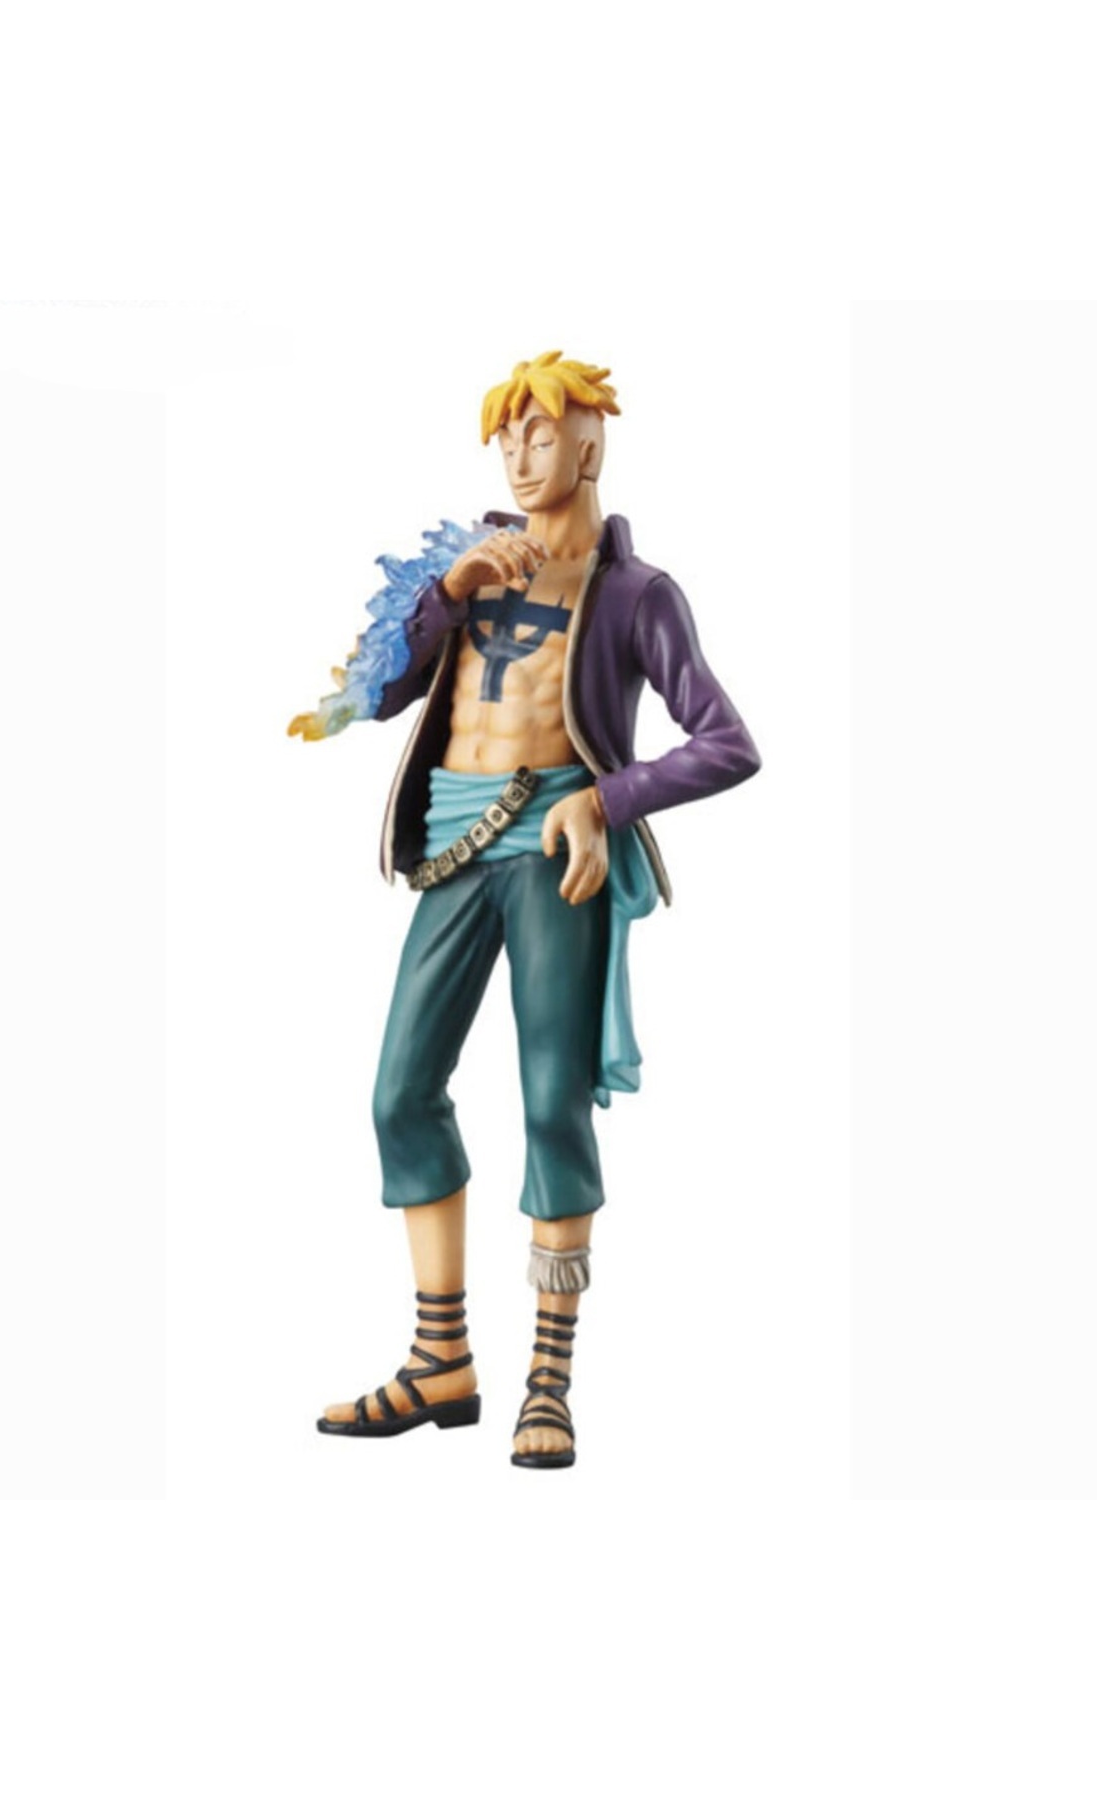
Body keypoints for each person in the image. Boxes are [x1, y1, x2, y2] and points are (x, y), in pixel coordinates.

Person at [291, 351, 760, 1468]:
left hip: (558, 856)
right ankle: (441, 1359)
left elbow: (727, 743)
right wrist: (445, 595)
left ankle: (549, 1377)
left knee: (553, 1106)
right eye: (508, 438)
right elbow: (375, 693)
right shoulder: (468, 566)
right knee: (401, 1091)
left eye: (541, 435)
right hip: (454, 849)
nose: (520, 456)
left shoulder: (638, 594)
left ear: (590, 449)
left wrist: (606, 799)